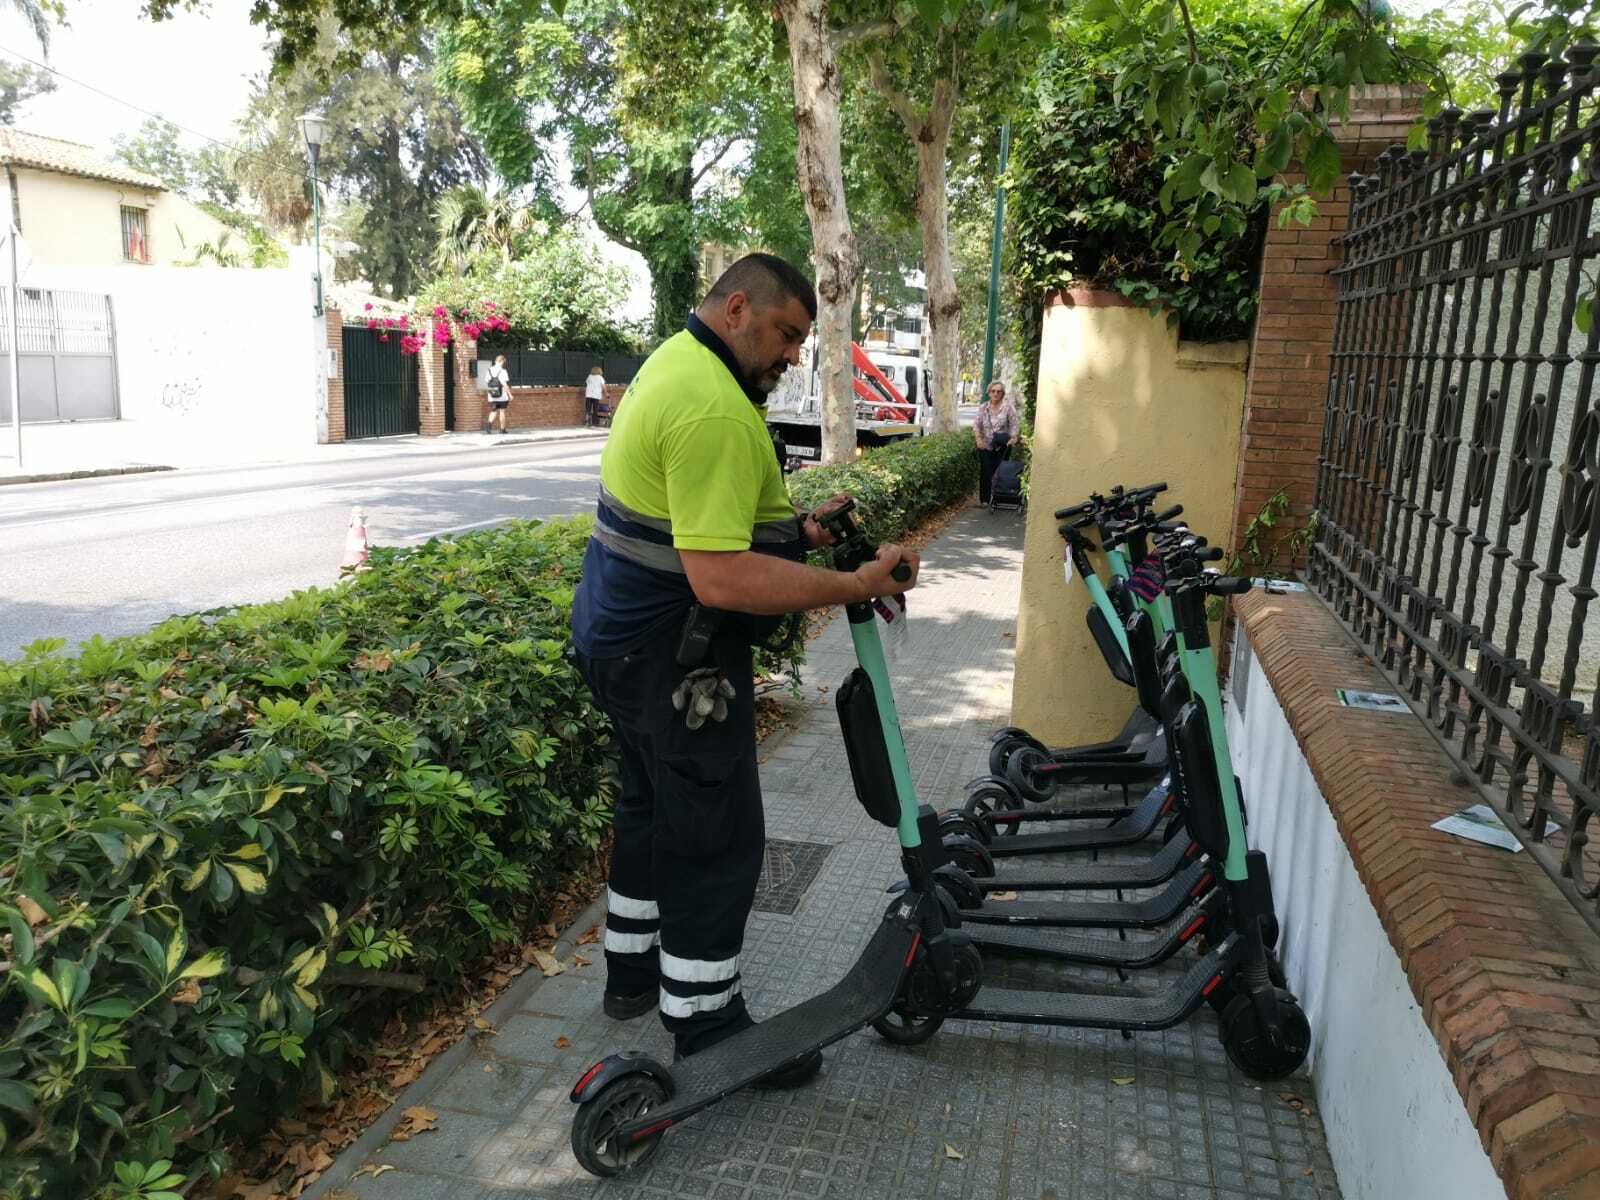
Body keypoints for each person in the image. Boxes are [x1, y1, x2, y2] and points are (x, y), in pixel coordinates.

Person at [569, 253, 920, 1088]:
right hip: (672, 658)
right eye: (787, 335)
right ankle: (707, 1027)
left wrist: (800, 533)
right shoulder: (717, 409)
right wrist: (853, 584)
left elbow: (694, 523)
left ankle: (633, 975)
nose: (794, 355)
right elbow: (720, 576)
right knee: (715, 834)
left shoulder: (676, 362)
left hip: (616, 640)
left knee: (652, 807)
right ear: (737, 309)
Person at [974, 380, 1020, 505]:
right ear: (989, 393)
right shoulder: (983, 408)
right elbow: (977, 425)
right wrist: (978, 439)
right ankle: (985, 499)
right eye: (993, 391)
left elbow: (1014, 425)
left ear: (1003, 394)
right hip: (985, 445)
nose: (996, 394)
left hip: (1002, 445)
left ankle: (999, 497)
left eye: (999, 391)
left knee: (1000, 471)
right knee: (986, 471)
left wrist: (1013, 438)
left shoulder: (1008, 408)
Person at [485, 354, 511, 434]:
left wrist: (490, 392)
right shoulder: (503, 371)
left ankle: (488, 426)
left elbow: (487, 382)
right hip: (502, 396)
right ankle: (502, 429)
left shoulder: (489, 370)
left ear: (495, 361)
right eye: (503, 362)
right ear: (502, 361)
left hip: (492, 395)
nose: (503, 364)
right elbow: (504, 384)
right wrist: (510, 394)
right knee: (502, 411)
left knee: (493, 411)